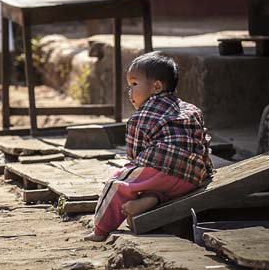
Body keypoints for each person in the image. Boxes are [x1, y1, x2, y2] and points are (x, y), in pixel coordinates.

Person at [86, 51, 213, 242]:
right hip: (192, 178)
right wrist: (206, 172)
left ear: (156, 87)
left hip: (160, 170)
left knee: (119, 184)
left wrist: (131, 176)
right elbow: (203, 142)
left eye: (134, 84)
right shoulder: (192, 110)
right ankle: (154, 198)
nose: (129, 92)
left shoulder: (141, 116)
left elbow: (135, 157)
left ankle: (100, 230)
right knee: (157, 180)